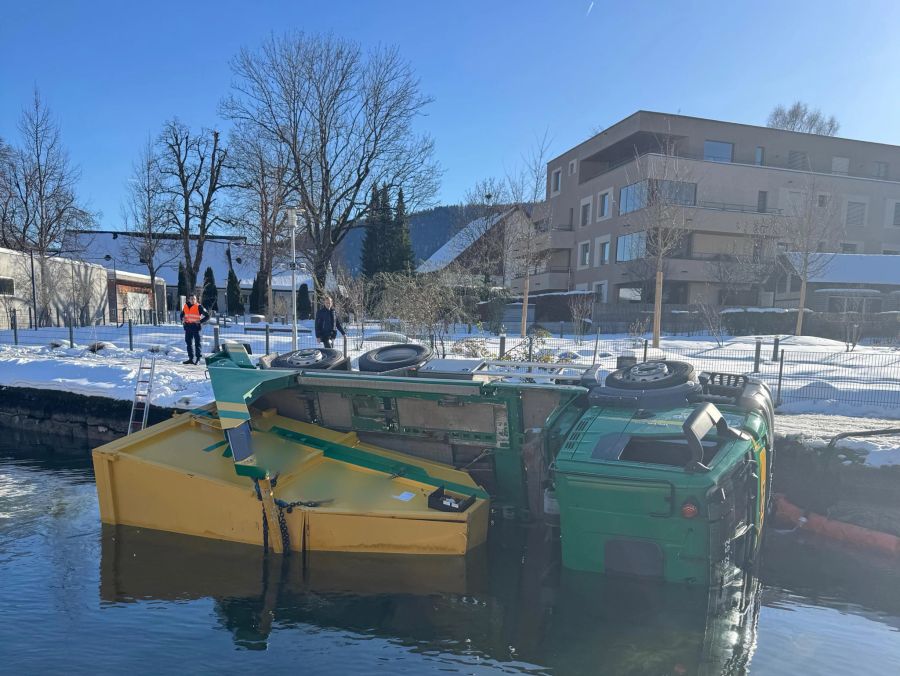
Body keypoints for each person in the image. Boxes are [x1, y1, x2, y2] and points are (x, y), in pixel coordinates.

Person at [180, 294, 210, 364]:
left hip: (196, 327)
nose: (193, 300)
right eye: (191, 299)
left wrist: (200, 321)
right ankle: (191, 359)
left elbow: (208, 316)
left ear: (196, 300)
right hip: (188, 327)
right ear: (189, 300)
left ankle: (198, 359)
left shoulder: (199, 307)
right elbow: (181, 314)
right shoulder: (185, 306)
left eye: (194, 299)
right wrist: (182, 319)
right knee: (188, 343)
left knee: (197, 343)